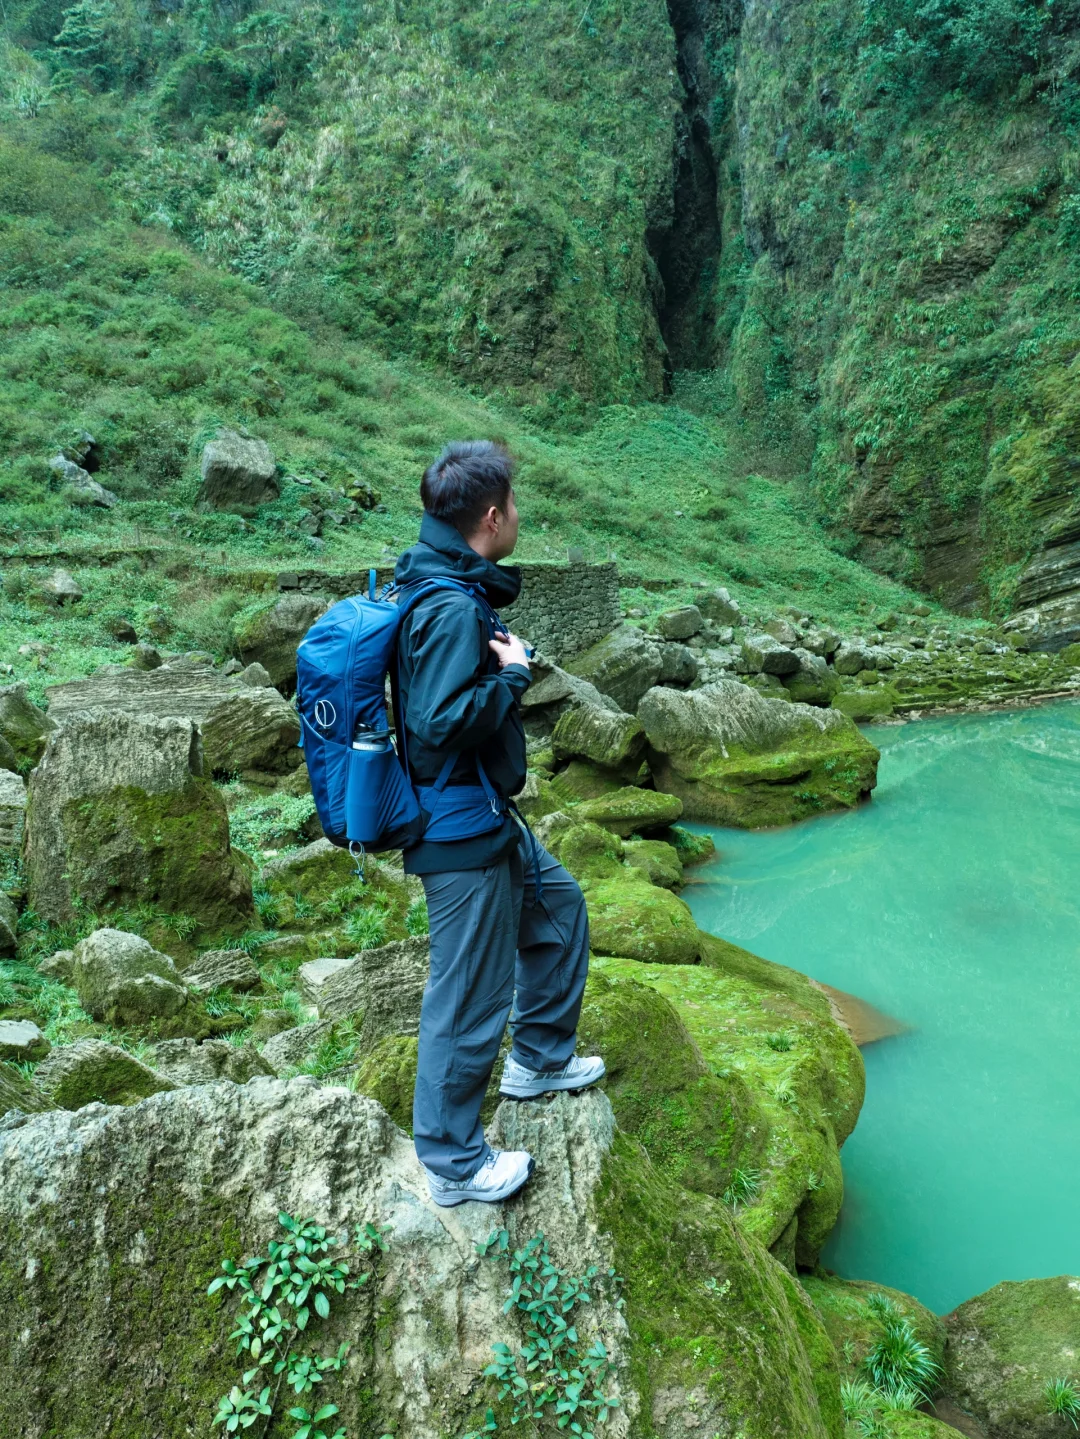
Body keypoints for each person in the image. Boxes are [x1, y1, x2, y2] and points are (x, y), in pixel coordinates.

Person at [394, 439, 604, 1207]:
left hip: (484, 812)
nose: (519, 516)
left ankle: (541, 1059)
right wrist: (513, 676)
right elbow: (440, 718)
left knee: (558, 908)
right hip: (457, 830)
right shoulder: (449, 605)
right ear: (491, 517)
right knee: (469, 994)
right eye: (514, 506)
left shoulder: (446, 582)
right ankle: (452, 1161)